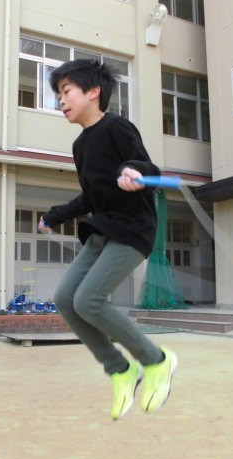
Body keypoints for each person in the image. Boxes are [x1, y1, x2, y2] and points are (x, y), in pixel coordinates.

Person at [39, 59, 178, 420]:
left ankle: (156, 361)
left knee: (89, 299)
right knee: (66, 299)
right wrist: (55, 215)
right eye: (58, 95)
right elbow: (90, 197)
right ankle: (120, 369)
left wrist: (132, 171)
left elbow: (147, 166)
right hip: (103, 230)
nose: (61, 101)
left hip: (132, 229)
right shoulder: (80, 146)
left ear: (93, 92)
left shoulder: (117, 127)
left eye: (66, 91)